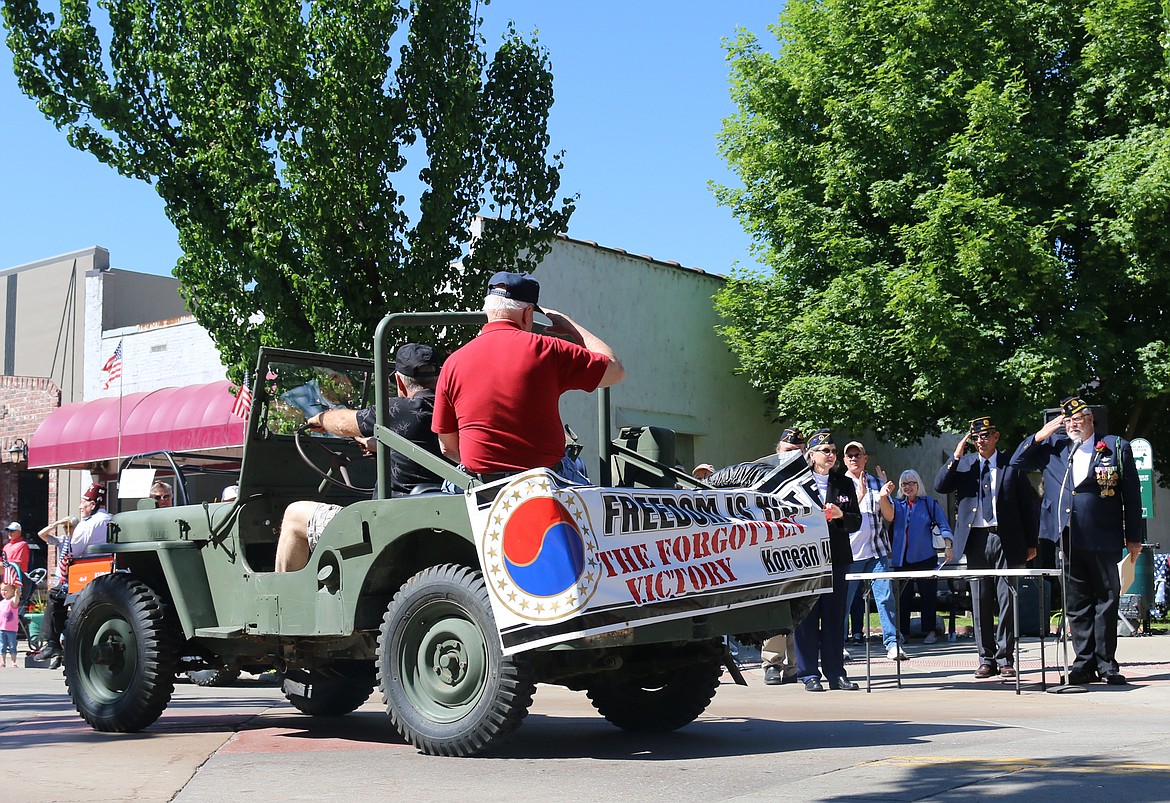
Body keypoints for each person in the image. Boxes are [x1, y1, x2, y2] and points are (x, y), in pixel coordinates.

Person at [432, 271, 625, 481]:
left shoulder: (453, 363)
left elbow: (447, 447)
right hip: (543, 483)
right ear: (527, 313)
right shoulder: (548, 350)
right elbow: (615, 371)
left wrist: (491, 472)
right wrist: (570, 326)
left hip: (480, 486)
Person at [275, 343, 447, 573]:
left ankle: (284, 603)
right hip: (432, 519)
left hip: (384, 526)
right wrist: (379, 446)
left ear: (399, 381)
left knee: (294, 515)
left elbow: (346, 423)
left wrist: (320, 418)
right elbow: (421, 443)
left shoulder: (396, 409)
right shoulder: (451, 409)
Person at [1010, 396, 1141, 685]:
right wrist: (1042, 434)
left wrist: (1134, 537)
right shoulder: (1054, 448)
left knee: (1106, 599)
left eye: (1078, 419)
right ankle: (1083, 662)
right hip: (1066, 536)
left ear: (1091, 420)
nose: (1073, 425)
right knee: (1076, 603)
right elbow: (1017, 461)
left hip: (1103, 535)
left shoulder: (1114, 446)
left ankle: (1106, 664)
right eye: (1068, 420)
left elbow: (1131, 494)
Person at [935, 416, 1039, 679]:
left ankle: (1005, 658)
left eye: (985, 436)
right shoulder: (966, 465)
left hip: (1006, 538)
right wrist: (956, 455)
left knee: (1007, 599)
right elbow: (940, 485)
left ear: (996, 437)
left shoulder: (1011, 465)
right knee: (979, 599)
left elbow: (1029, 505)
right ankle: (986, 658)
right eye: (976, 437)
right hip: (976, 538)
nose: (980, 441)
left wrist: (1031, 542)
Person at [793, 429, 862, 691]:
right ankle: (808, 672)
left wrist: (840, 514)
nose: (832, 455)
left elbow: (856, 521)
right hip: (806, 559)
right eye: (826, 451)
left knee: (835, 617)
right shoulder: (797, 483)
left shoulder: (843, 483)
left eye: (834, 451)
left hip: (837, 556)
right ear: (811, 454)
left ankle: (836, 672)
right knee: (807, 615)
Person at [840, 441, 905, 662]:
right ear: (844, 460)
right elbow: (841, 517)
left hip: (877, 551)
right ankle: (839, 644)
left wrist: (884, 496)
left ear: (865, 458)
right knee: (844, 601)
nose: (854, 459)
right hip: (849, 554)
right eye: (849, 456)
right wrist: (859, 494)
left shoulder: (878, 483)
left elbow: (890, 517)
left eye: (858, 455)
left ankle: (893, 644)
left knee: (885, 597)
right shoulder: (839, 485)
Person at [35, 483, 112, 669]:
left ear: (93, 504)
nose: (80, 506)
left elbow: (74, 550)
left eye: (83, 502)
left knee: (55, 597)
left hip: (86, 573)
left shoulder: (89, 524)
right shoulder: (111, 519)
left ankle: (51, 643)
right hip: (107, 570)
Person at [879, 469, 952, 645]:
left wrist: (948, 545)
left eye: (911, 483)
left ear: (918, 485)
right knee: (903, 597)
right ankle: (903, 631)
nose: (908, 487)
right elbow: (886, 509)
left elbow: (943, 525)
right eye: (904, 484)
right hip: (901, 559)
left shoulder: (929, 503)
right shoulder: (897, 504)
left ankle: (931, 631)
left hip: (925, 557)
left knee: (928, 596)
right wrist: (883, 487)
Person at [2, 521, 29, 590]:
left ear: (19, 532)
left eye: (12, 531)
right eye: (8, 531)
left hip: (16, 578)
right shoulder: (6, 546)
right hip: (5, 577)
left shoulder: (22, 545)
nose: (9, 533)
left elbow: (17, 564)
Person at [0, 582, 17, 668]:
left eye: (6, 590)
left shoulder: (12, 601)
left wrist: (17, 595)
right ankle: (2, 661)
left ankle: (13, 662)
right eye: (2, 590)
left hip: (11, 629)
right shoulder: (1, 602)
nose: (4, 592)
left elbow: (16, 601)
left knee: (12, 645)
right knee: (2, 646)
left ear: (12, 591)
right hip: (2, 628)